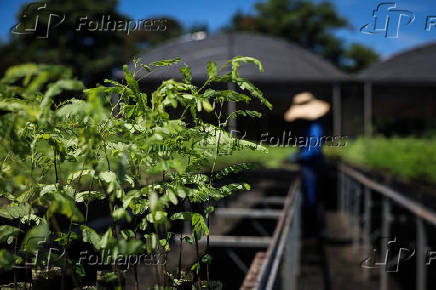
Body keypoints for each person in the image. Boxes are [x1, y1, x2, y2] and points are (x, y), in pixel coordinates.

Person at [284, 92, 330, 237]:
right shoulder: (307, 126)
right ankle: (314, 231)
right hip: (308, 166)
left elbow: (314, 149)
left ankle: (317, 232)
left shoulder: (315, 127)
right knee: (311, 197)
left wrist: (299, 156)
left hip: (313, 167)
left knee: (313, 198)